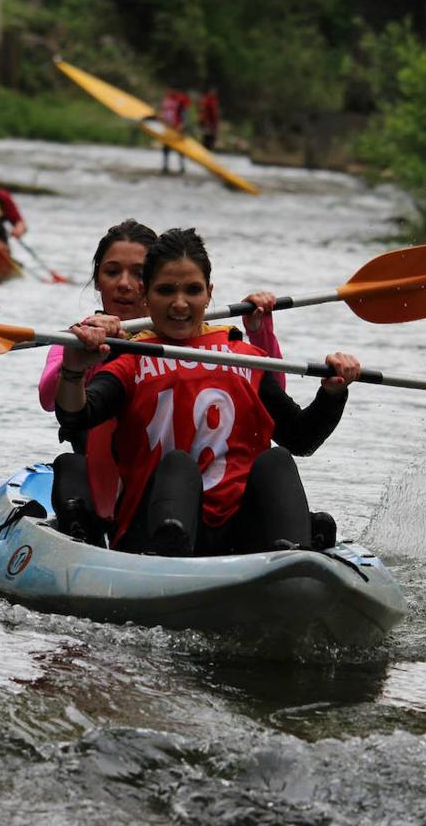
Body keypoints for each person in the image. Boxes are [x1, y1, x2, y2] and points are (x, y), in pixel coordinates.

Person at [55, 227, 359, 557]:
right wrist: (73, 370)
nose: (180, 303)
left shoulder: (244, 356)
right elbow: (75, 417)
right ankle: (170, 557)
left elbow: (301, 439)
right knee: (178, 464)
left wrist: (332, 394)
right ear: (146, 296)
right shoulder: (130, 359)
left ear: (209, 293)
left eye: (192, 290)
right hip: (153, 530)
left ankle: (293, 559)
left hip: (237, 535)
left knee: (277, 461)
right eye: (166, 290)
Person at [41, 220, 287, 545]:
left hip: (191, 482)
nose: (125, 284)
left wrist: (258, 330)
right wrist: (89, 353)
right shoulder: (81, 335)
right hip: (115, 481)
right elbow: (49, 397)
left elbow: (270, 396)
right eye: (113, 272)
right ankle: (84, 536)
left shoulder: (203, 339)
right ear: (97, 281)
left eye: (138, 272)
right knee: (69, 466)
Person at [159, 89, 190, 174]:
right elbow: (163, 112)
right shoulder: (167, 100)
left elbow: (183, 113)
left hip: (177, 128)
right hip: (168, 128)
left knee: (180, 148)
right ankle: (165, 166)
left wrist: (182, 124)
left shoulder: (179, 101)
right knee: (166, 147)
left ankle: (182, 167)